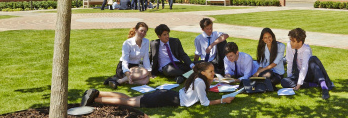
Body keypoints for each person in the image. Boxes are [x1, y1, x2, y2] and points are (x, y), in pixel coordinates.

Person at [82, 62, 234, 108]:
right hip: (166, 98)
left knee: (129, 98)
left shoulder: (197, 79)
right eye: (211, 72)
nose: (213, 74)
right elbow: (205, 103)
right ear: (202, 73)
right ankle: (95, 100)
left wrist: (211, 81)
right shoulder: (200, 82)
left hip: (167, 95)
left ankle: (98, 93)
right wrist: (223, 100)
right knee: (128, 102)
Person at [281, 28, 334, 100]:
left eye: (293, 41)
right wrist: (289, 78)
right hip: (298, 74)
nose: (291, 42)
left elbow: (304, 68)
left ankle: (324, 87)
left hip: (309, 74)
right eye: (290, 40)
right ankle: (314, 85)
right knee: (284, 82)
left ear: (299, 42)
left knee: (313, 60)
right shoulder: (289, 46)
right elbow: (289, 62)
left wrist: (298, 86)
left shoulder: (306, 50)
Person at [104, 22, 152, 89]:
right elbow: (124, 60)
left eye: (145, 32)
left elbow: (146, 58)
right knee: (143, 73)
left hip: (135, 66)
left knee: (146, 80)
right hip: (124, 66)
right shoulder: (127, 43)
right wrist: (126, 72)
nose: (143, 33)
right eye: (141, 30)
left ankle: (119, 80)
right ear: (136, 30)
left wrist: (149, 71)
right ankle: (120, 81)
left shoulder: (146, 42)